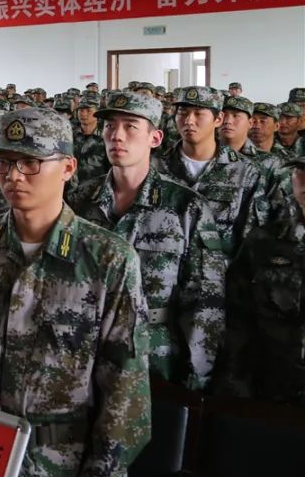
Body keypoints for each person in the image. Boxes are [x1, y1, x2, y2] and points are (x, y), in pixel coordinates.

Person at [0, 108, 151, 477]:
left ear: (68, 167)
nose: (14, 175)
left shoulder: (108, 260)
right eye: (3, 162)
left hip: (58, 462)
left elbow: (125, 385)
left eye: (31, 162)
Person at [72, 91, 226, 390]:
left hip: (153, 356)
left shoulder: (185, 206)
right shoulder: (80, 200)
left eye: (130, 126)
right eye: (109, 126)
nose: (117, 135)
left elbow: (205, 301)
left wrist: (198, 375)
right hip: (83, 349)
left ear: (154, 139)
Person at [221, 156, 305, 405]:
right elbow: (237, 320)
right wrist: (235, 388)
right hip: (270, 393)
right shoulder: (263, 242)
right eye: (301, 171)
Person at [156, 86, 265, 257]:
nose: (189, 121)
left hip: (218, 276)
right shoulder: (156, 166)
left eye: (199, 113)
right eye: (183, 113)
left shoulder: (245, 171)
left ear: (218, 119)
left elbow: (250, 238)